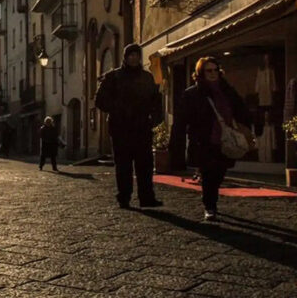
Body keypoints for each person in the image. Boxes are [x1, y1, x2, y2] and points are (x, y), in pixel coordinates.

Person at [169, 56, 251, 221]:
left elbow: (241, 109)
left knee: (219, 173)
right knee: (208, 173)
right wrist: (175, 144)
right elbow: (181, 120)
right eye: (209, 71)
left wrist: (249, 126)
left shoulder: (227, 90)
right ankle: (210, 206)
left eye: (215, 70)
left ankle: (212, 201)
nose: (213, 74)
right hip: (204, 140)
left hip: (225, 139)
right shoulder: (192, 94)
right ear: (201, 73)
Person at [95, 43, 164, 209]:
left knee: (145, 165)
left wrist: (153, 118)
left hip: (142, 127)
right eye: (130, 55)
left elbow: (156, 100)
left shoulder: (147, 77)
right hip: (120, 127)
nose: (133, 58)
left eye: (136, 55)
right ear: (125, 57)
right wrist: (118, 109)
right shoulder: (113, 77)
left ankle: (146, 197)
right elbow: (100, 101)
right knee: (123, 165)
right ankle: (124, 197)